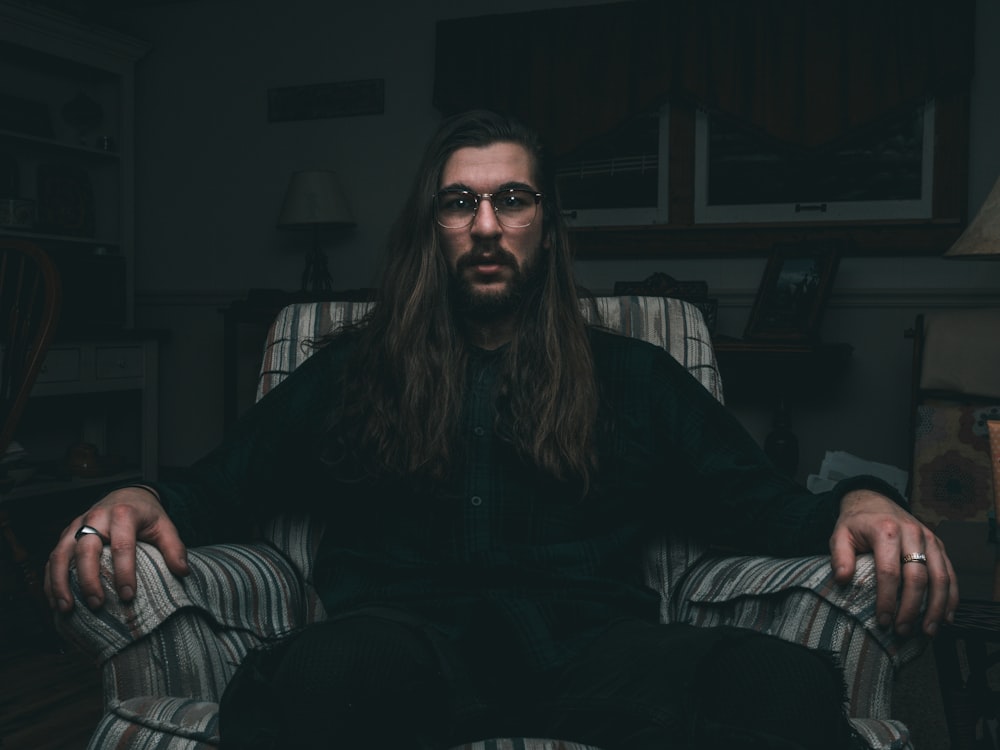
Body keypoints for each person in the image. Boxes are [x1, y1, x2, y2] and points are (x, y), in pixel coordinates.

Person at [46, 110, 957, 750]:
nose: (487, 225)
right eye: (459, 203)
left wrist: (868, 500)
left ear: (547, 228)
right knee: (310, 679)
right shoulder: (351, 370)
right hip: (399, 650)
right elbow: (219, 487)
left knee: (780, 688)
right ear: (432, 229)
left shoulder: (635, 376)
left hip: (593, 651)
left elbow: (763, 507)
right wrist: (139, 493)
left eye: (512, 200)